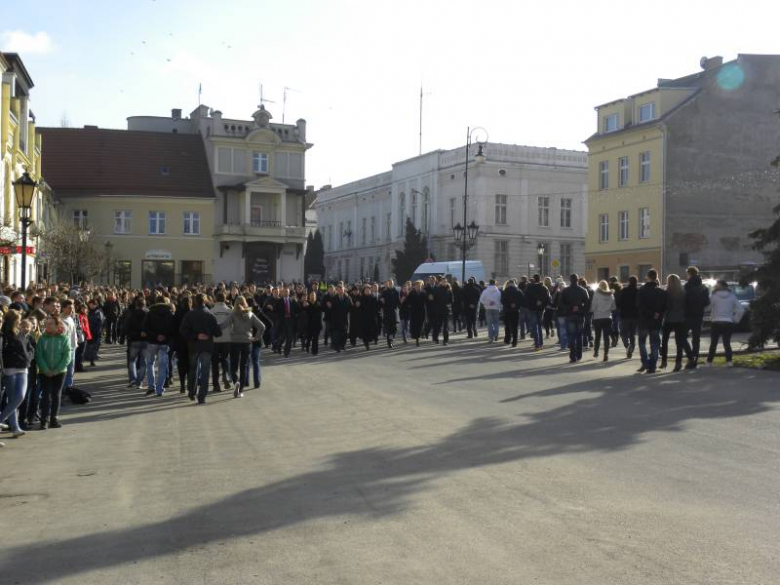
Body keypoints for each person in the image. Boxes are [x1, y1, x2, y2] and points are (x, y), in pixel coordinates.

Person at [180, 293, 222, 404]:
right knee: (205, 371)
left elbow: (183, 330)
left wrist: (196, 335)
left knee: (193, 369)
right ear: (205, 301)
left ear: (195, 301)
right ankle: (202, 395)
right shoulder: (210, 315)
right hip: (206, 346)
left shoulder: (189, 315)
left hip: (194, 346)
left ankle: (192, 391)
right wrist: (209, 332)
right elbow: (218, 333)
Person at [0, 310, 34, 438]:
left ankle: (1, 419)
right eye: (18, 320)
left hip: (23, 367)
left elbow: (29, 348)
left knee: (20, 396)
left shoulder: (21, 333)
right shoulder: (4, 334)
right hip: (10, 368)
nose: (20, 322)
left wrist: (28, 358)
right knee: (13, 398)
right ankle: (15, 427)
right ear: (12, 320)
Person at [35, 315, 72, 429]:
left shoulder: (64, 338)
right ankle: (44, 421)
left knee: (56, 395)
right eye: (46, 324)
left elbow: (67, 356)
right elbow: (39, 355)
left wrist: (57, 370)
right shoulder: (42, 338)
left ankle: (54, 419)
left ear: (57, 325)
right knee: (46, 395)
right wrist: (45, 369)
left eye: (51, 324)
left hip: (60, 372)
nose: (48, 326)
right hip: (44, 372)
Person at [228, 296, 265, 398]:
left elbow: (224, 325)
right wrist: (256, 338)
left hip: (234, 341)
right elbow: (262, 326)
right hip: (246, 342)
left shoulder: (233, 314)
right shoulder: (249, 313)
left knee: (233, 365)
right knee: (243, 366)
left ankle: (235, 381)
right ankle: (240, 391)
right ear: (245, 303)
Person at [142, 295, 177, 397]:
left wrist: (155, 335)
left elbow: (145, 327)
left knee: (150, 364)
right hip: (165, 342)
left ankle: (151, 387)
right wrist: (164, 336)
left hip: (152, 342)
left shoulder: (150, 313)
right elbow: (173, 329)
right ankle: (159, 389)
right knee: (162, 365)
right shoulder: (170, 313)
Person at [706, 280, 745, 368]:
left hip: (716, 322)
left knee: (713, 343)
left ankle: (709, 361)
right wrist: (735, 319)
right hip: (728, 322)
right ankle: (729, 361)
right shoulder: (732, 296)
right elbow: (741, 309)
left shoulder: (713, 296)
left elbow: (707, 308)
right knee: (726, 343)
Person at [660, 274, 694, 372]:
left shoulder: (667, 292)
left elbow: (666, 306)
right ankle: (678, 363)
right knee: (679, 342)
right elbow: (686, 305)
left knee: (665, 341)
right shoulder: (683, 292)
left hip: (669, 319)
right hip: (680, 319)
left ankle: (664, 361)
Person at [636, 269, 668, 374]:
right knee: (654, 344)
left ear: (648, 277)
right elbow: (664, 306)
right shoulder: (661, 292)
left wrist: (650, 313)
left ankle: (645, 362)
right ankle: (652, 366)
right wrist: (657, 314)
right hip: (656, 321)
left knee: (642, 342)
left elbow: (639, 306)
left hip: (644, 321)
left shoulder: (642, 290)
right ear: (656, 277)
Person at [684, 266, 711, 368]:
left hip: (687, 315)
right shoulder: (704, 287)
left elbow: (683, 300)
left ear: (689, 274)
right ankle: (694, 359)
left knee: (682, 336)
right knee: (696, 338)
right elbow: (707, 302)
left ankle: (690, 357)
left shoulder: (687, 286)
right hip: (699, 315)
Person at [560, 274, 590, 363]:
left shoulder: (566, 290)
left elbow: (561, 303)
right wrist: (580, 308)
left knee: (571, 336)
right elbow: (587, 303)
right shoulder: (583, 290)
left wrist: (569, 308)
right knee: (579, 335)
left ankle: (573, 356)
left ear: (570, 280)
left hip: (570, 315)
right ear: (577, 280)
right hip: (580, 315)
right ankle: (579, 355)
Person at [122, 296, 148, 389]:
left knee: (132, 360)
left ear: (136, 305)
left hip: (134, 340)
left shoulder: (131, 314)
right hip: (145, 340)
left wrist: (127, 335)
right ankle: (139, 382)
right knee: (143, 362)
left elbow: (126, 327)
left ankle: (132, 378)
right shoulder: (147, 313)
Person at [590, 280, 616, 362]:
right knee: (606, 337)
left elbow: (593, 305)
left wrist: (591, 310)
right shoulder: (611, 294)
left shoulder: (596, 294)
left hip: (598, 317)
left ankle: (596, 352)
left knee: (597, 336)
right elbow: (614, 307)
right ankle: (606, 354)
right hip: (607, 317)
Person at [615, 276, 639, 358]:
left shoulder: (624, 291)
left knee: (623, 333)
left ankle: (627, 345)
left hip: (624, 315)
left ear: (629, 282)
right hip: (635, 316)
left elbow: (618, 302)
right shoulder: (638, 291)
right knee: (632, 334)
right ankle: (631, 348)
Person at [525, 275, 550, 350]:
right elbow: (548, 299)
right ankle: (541, 344)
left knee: (534, 326)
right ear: (540, 279)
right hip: (541, 309)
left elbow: (526, 298)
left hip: (532, 309)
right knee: (539, 326)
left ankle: (537, 344)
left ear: (534, 279)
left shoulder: (529, 288)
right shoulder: (544, 288)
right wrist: (542, 303)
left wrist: (532, 304)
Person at [326, 285, 352, 352]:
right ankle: (337, 347)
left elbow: (351, 307)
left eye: (341, 289)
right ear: (337, 290)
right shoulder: (333, 298)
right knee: (337, 334)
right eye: (339, 290)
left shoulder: (347, 298)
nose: (340, 291)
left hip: (344, 318)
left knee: (344, 333)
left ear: (343, 290)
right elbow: (330, 309)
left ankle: (342, 345)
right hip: (336, 319)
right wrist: (329, 307)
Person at [501, 280, 523, 347]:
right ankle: (514, 342)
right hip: (516, 310)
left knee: (507, 326)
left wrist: (509, 305)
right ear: (514, 284)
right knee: (515, 327)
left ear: (509, 284)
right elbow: (522, 301)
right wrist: (516, 305)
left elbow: (502, 301)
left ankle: (507, 340)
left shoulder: (505, 291)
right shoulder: (519, 291)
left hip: (507, 310)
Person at [380, 280, 400, 348]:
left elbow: (398, 301)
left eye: (391, 283)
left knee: (394, 328)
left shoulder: (396, 292)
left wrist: (400, 305)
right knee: (388, 328)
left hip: (394, 312)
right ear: (388, 284)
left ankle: (391, 338)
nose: (390, 284)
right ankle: (390, 342)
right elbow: (381, 300)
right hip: (387, 312)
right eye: (389, 283)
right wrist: (382, 301)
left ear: (393, 284)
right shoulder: (384, 292)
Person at [407, 280, 427, 346]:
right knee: (414, 325)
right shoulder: (411, 293)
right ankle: (416, 338)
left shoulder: (423, 293)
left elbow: (426, 302)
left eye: (419, 286)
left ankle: (417, 338)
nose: (418, 287)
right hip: (414, 312)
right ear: (414, 286)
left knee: (420, 325)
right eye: (417, 285)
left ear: (421, 286)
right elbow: (408, 302)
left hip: (421, 312)